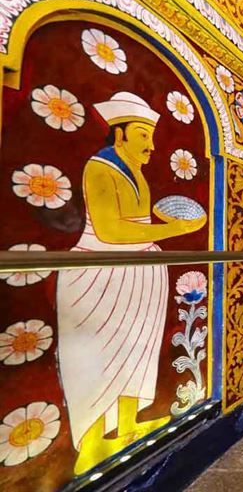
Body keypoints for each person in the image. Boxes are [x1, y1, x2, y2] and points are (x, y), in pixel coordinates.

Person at [56, 92, 206, 474]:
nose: (151, 145)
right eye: (143, 135)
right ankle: (92, 441)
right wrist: (175, 229)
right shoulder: (99, 168)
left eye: (151, 136)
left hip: (139, 273)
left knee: (137, 351)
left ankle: (126, 426)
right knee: (101, 357)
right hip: (101, 273)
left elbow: (140, 220)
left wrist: (167, 224)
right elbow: (110, 231)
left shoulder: (135, 171)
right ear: (120, 133)